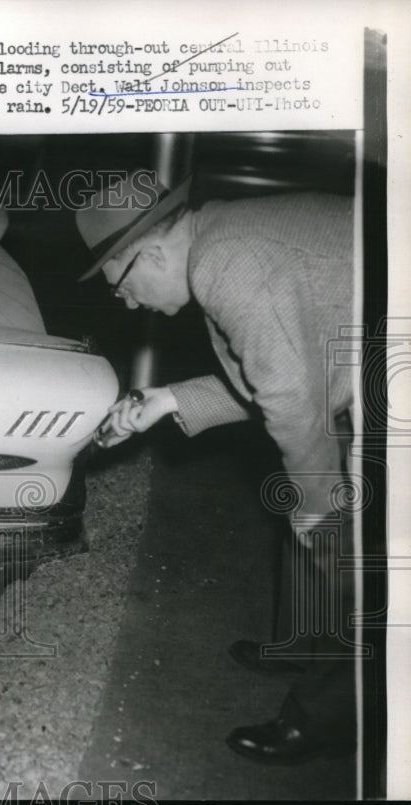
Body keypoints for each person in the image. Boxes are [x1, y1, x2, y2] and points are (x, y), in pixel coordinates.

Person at [75, 170, 358, 764]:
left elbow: (290, 399)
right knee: (314, 507)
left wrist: (319, 511)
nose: (127, 302)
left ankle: (325, 717)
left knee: (358, 545)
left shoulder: (227, 265)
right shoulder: (219, 239)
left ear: (151, 252)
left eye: (120, 286)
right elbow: (273, 376)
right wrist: (168, 400)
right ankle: (301, 642)